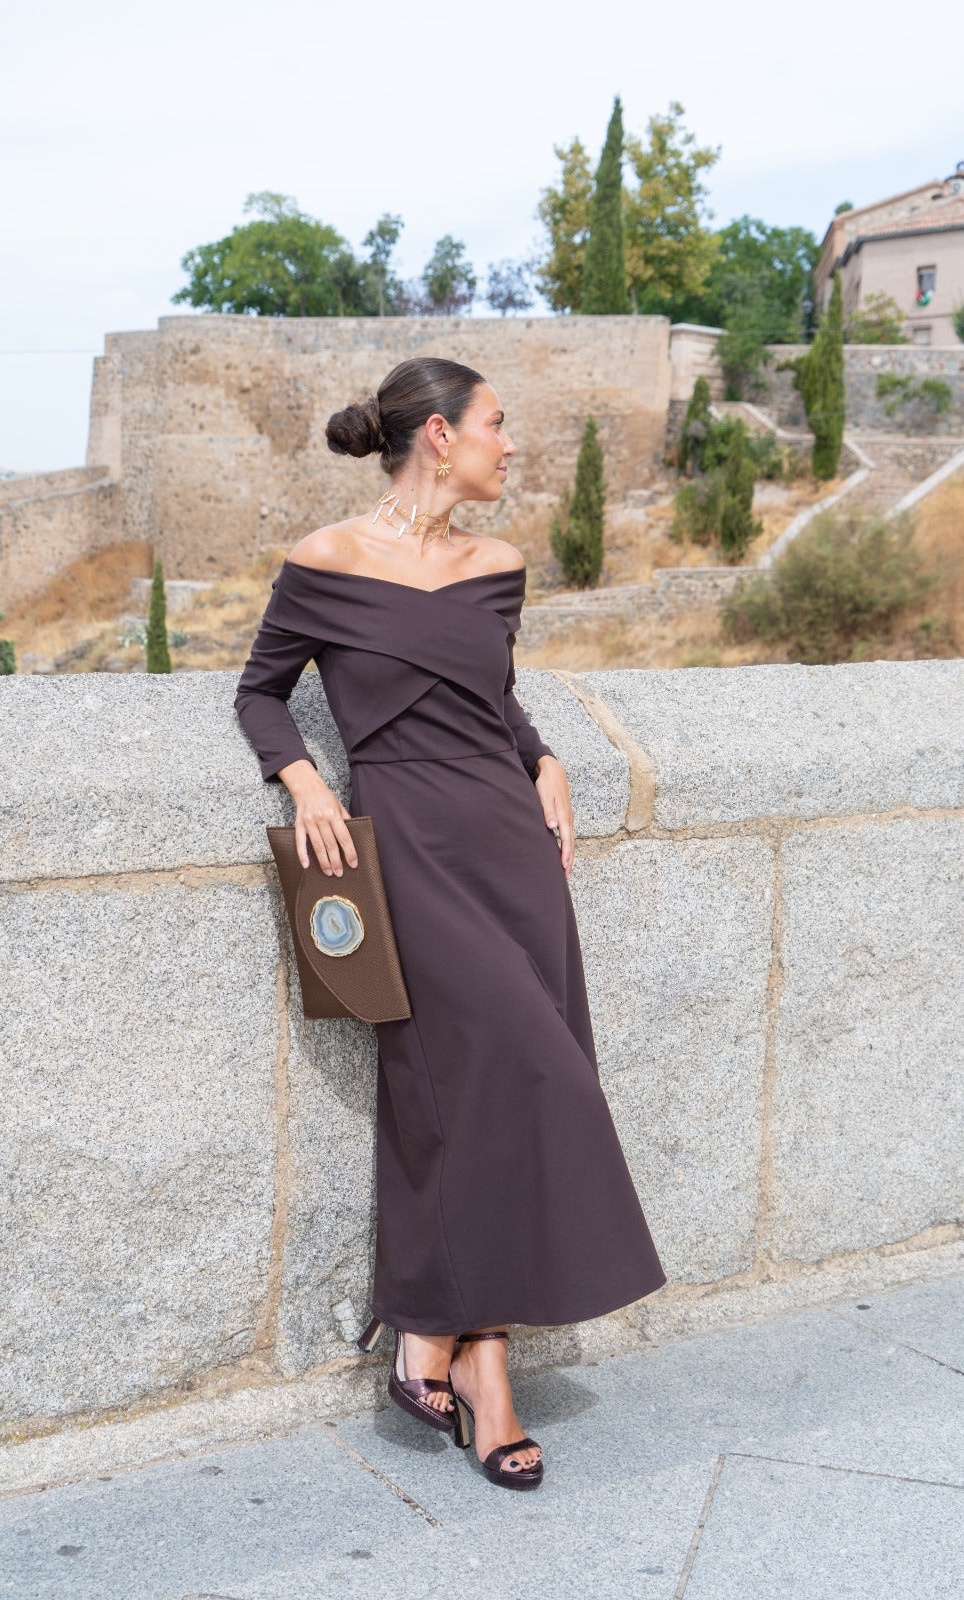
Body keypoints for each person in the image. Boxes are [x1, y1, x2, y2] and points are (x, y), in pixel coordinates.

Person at [234, 356, 667, 1491]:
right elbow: (259, 691)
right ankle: (449, 1342)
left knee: (505, 1093)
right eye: (495, 425)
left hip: (511, 850)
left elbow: (493, 694)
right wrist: (307, 784)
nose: (509, 446)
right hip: (409, 849)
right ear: (437, 435)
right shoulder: (327, 561)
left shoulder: (498, 566)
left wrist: (543, 754)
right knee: (506, 1078)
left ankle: (471, 1353)